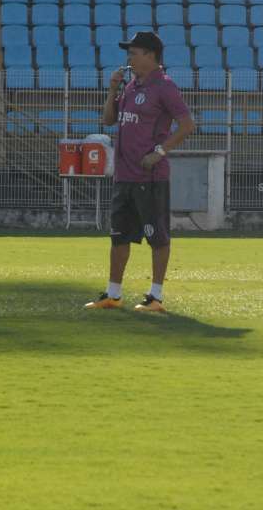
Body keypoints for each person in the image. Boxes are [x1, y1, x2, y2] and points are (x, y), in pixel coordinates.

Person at [84, 31, 196, 313]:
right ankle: (113, 294)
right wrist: (112, 89)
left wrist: (159, 152)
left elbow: (186, 126)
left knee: (157, 237)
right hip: (124, 175)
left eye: (133, 52)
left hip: (150, 177)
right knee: (119, 236)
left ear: (150, 55)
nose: (129, 57)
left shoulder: (165, 87)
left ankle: (155, 297)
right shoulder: (131, 86)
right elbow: (108, 120)